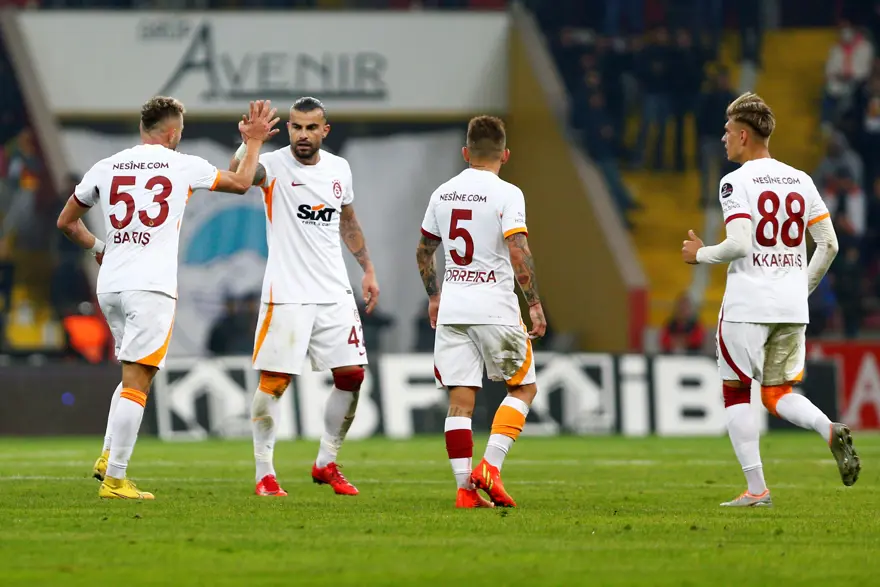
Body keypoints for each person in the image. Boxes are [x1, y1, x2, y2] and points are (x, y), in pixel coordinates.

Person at [56, 97, 279, 499]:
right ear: (174, 132)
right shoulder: (182, 164)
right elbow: (242, 182)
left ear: (144, 127)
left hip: (111, 286)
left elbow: (67, 222)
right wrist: (254, 142)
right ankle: (116, 480)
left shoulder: (107, 166)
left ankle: (108, 456)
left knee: (132, 375)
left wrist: (99, 248)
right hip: (150, 286)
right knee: (138, 381)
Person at [681, 93, 860, 508]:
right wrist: (801, 288)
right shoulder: (801, 179)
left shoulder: (735, 182)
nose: (724, 138)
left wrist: (700, 254)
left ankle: (757, 489)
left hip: (747, 305)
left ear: (743, 135)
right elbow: (829, 245)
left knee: (736, 391)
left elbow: (740, 244)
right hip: (791, 308)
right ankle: (827, 428)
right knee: (777, 393)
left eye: (727, 130)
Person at [230, 97, 380, 498]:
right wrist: (249, 142)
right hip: (287, 293)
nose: (303, 134)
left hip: (333, 291)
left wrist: (367, 268)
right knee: (275, 382)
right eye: (296, 126)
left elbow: (347, 221)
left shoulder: (339, 168)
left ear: (324, 131)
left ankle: (326, 462)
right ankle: (264, 473)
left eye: (311, 127)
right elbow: (239, 176)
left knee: (352, 376)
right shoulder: (273, 164)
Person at [415, 115, 547, 509]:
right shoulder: (508, 193)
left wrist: (434, 296)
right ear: (505, 155)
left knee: (460, 399)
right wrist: (534, 302)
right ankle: (490, 467)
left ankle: (465, 490)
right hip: (494, 306)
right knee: (523, 388)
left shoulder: (443, 193)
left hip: (454, 306)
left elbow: (424, 251)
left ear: (465, 152)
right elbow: (518, 250)